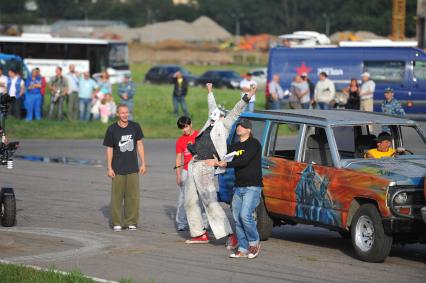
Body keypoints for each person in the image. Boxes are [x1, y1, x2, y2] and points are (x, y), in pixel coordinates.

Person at [184, 82, 256, 249]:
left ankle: (230, 235)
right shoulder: (208, 123)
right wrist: (209, 90)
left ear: (223, 116)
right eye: (213, 114)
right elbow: (211, 105)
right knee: (190, 201)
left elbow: (237, 109)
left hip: (206, 165)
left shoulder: (224, 125)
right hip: (193, 163)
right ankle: (199, 233)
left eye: (217, 114)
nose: (214, 115)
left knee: (210, 202)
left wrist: (249, 94)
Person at [206, 119, 263, 259]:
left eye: (242, 126)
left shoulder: (254, 144)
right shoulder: (234, 146)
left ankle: (254, 243)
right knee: (237, 218)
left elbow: (243, 160)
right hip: (238, 187)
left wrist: (226, 164)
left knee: (245, 215)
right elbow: (225, 158)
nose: (239, 128)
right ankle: (243, 248)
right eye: (238, 126)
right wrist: (216, 162)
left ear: (248, 129)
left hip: (252, 186)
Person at [103, 104, 147, 232]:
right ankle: (117, 222)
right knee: (117, 197)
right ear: (117, 114)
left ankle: (131, 221)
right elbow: (109, 149)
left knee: (133, 197)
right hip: (117, 169)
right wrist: (109, 167)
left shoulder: (135, 127)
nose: (125, 115)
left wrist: (143, 163)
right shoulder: (112, 129)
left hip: (133, 168)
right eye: (122, 113)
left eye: (126, 112)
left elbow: (139, 144)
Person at [175, 116, 199, 231]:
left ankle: (204, 222)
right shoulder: (180, 140)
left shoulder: (199, 136)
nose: (185, 130)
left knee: (201, 197)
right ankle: (181, 222)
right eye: (182, 128)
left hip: (199, 170)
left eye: (186, 127)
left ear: (191, 124)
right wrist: (178, 175)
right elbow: (178, 157)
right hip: (186, 170)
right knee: (183, 197)